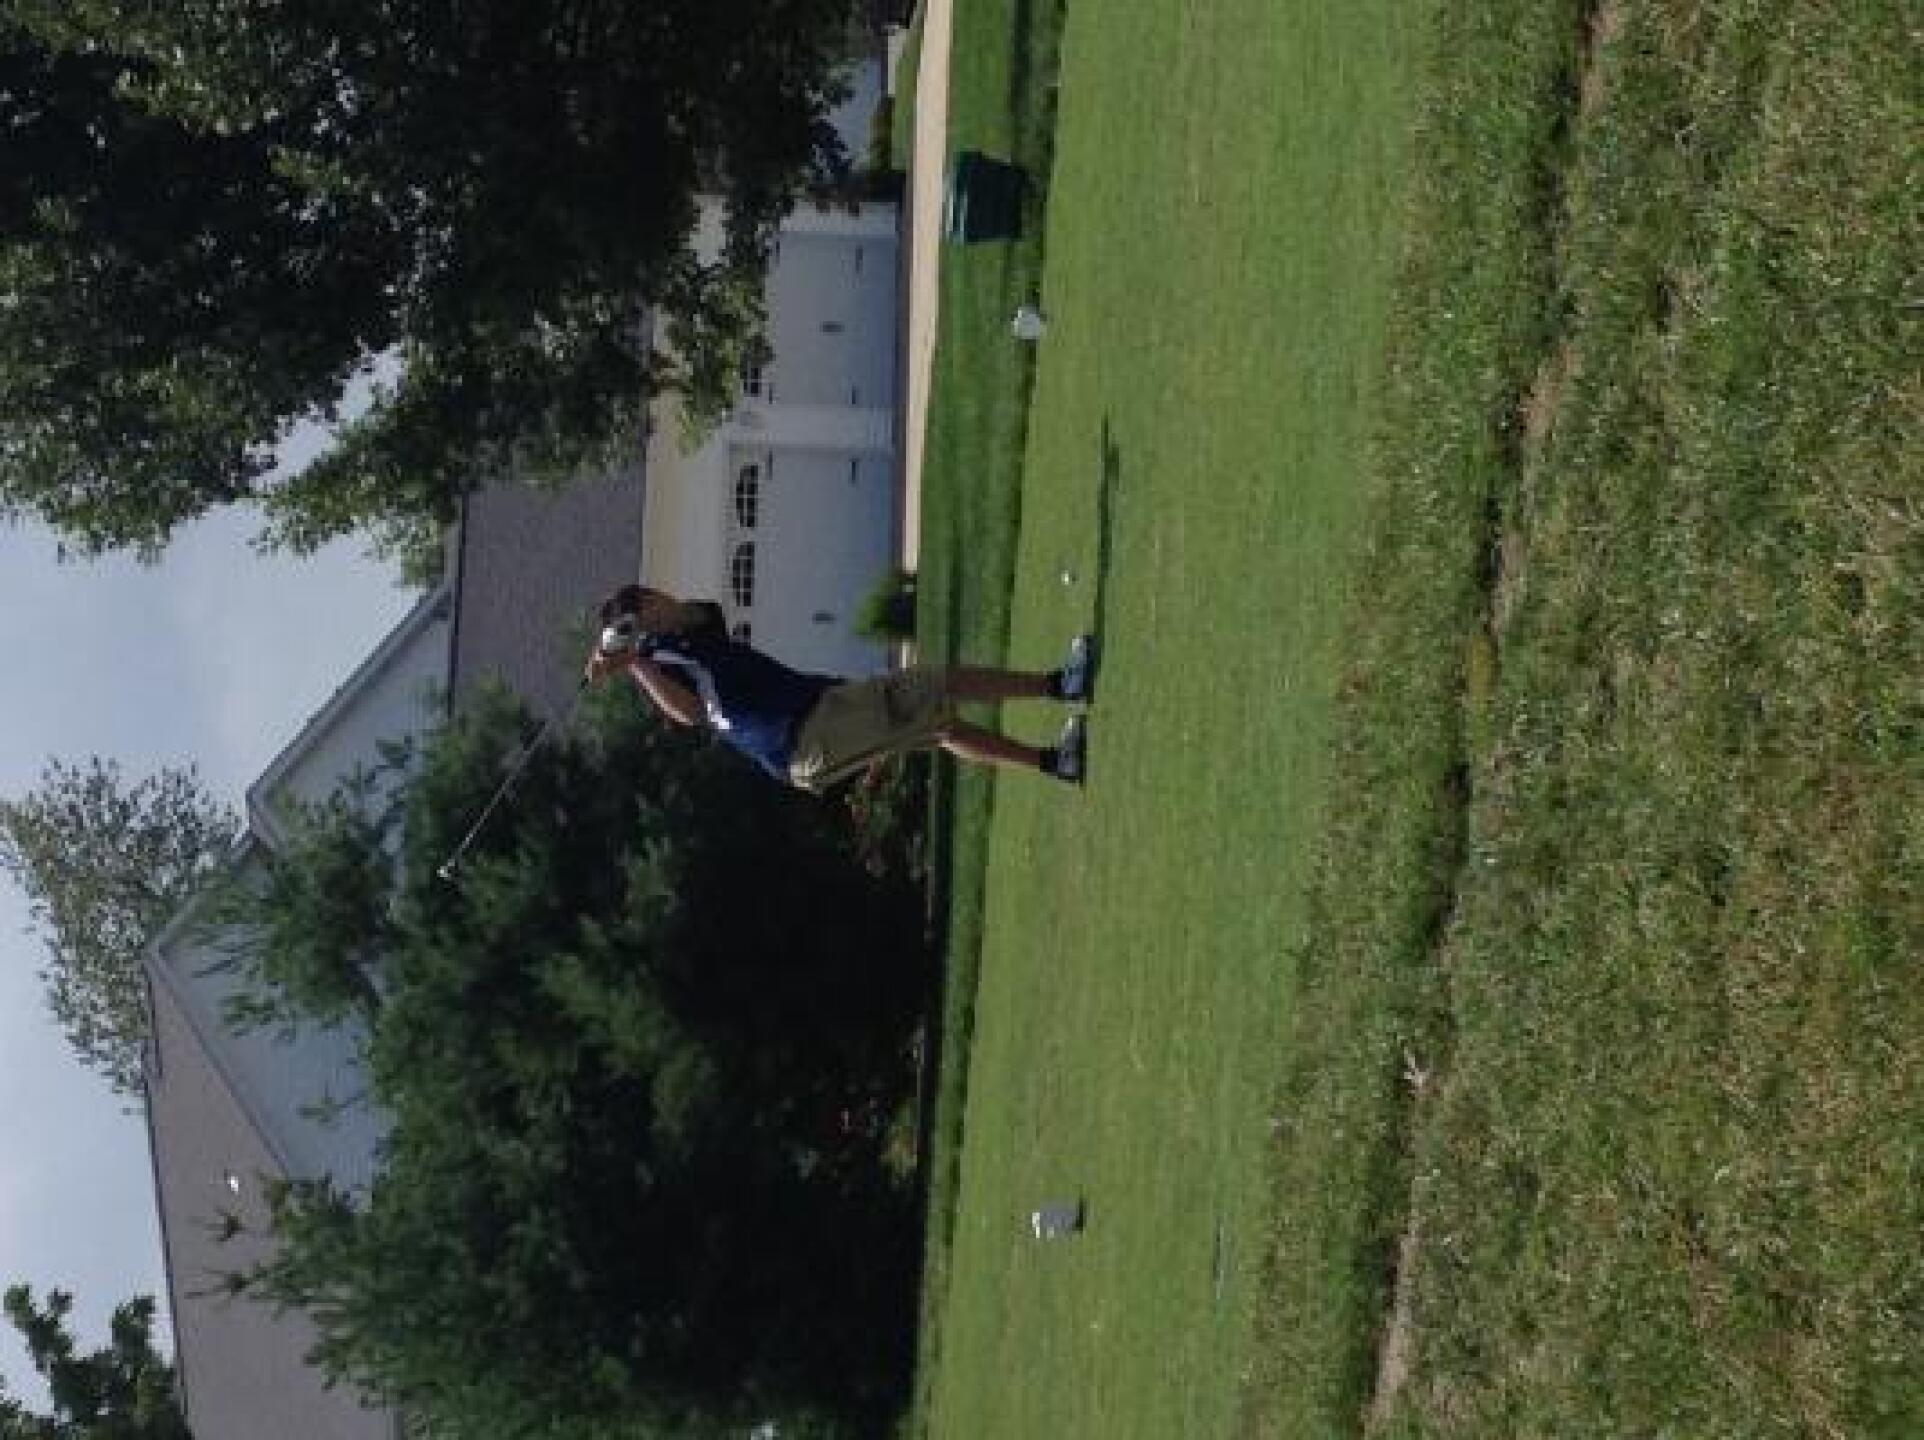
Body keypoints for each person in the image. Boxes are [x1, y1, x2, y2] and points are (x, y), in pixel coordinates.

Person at [585, 584, 1094, 791]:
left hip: (818, 714)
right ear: (642, 616)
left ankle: (1056, 755)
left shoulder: (688, 629)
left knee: (941, 720)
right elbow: (689, 714)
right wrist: (632, 663)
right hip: (806, 736)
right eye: (649, 603)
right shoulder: (657, 659)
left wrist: (637, 642)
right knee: (938, 690)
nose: (661, 597)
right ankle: (1061, 689)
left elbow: (705, 615)